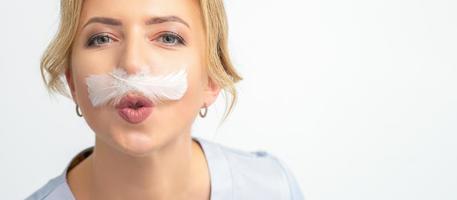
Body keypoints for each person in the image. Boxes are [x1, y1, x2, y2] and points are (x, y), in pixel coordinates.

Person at [26, 0, 305, 199]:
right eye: (102, 39)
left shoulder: (272, 188)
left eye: (169, 38)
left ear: (211, 78)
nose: (132, 64)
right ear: (73, 81)